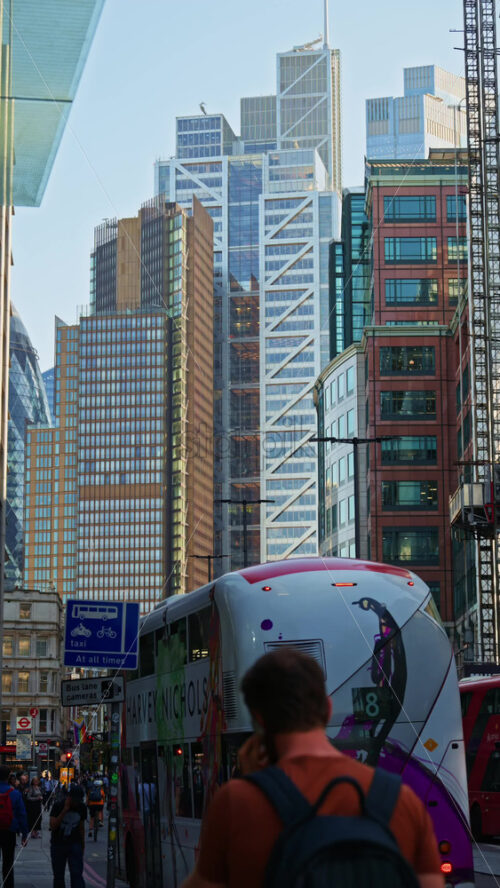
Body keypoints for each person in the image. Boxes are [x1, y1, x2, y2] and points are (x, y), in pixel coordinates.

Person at [181, 649, 445, 888]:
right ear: (328, 710)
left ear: (260, 719)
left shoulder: (236, 803)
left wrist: (253, 782)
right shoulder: (402, 801)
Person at [50, 783, 86, 888]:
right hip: (58, 844)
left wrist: (82, 845)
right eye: (75, 800)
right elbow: (53, 826)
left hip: (75, 844)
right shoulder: (58, 805)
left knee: (77, 875)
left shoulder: (82, 807)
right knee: (58, 876)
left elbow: (81, 827)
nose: (76, 803)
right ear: (69, 797)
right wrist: (65, 810)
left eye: (79, 800)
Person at [0, 764, 28, 888]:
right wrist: (24, 834)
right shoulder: (15, 793)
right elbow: (22, 815)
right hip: (9, 830)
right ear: (8, 777)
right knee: (8, 863)